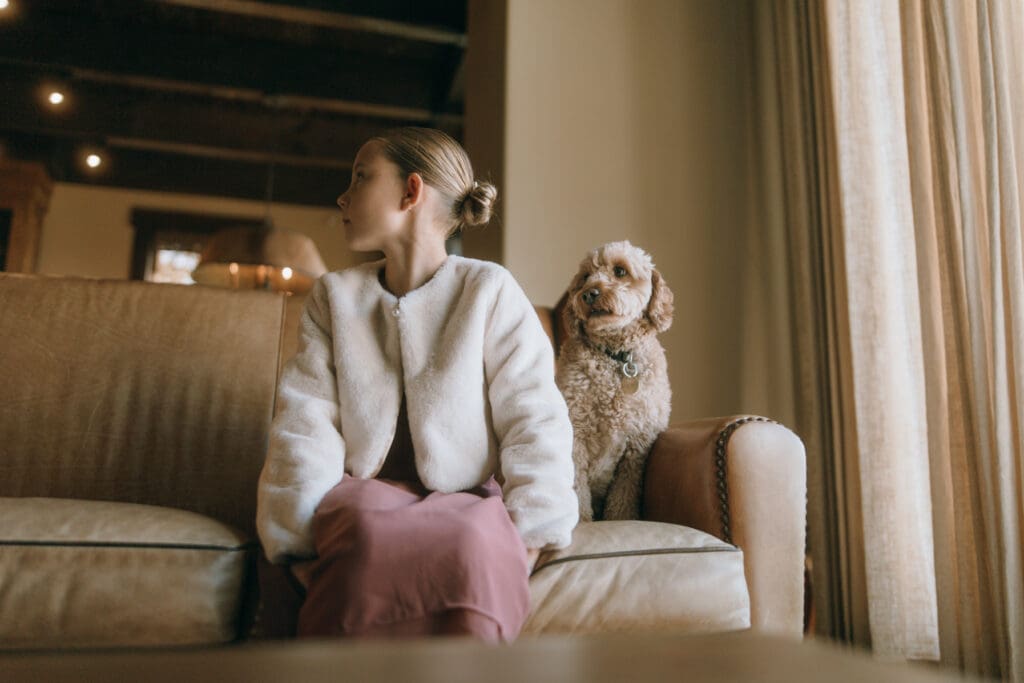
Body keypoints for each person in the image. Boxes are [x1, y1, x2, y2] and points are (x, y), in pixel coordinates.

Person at [256, 127, 578, 642]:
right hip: (362, 496)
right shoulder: (333, 297)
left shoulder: (489, 290)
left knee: (474, 542)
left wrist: (534, 532)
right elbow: (305, 418)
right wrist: (294, 537)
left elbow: (533, 416)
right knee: (362, 536)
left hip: (468, 499)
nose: (342, 195)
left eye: (360, 177)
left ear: (411, 191)